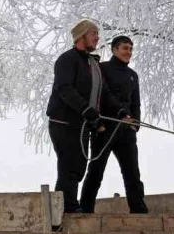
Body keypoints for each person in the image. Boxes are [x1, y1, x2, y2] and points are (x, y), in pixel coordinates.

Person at [46, 18, 129, 214]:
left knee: (79, 165)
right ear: (82, 36)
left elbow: (104, 93)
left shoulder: (92, 63)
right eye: (94, 34)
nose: (97, 38)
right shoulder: (67, 60)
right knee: (70, 164)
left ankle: (68, 205)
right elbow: (64, 88)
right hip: (64, 122)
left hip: (83, 123)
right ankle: (66, 208)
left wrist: (121, 111)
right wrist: (86, 109)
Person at [79, 35, 149, 214]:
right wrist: (118, 115)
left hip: (126, 131)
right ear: (114, 49)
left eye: (131, 49)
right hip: (105, 127)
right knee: (96, 171)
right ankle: (85, 209)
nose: (129, 52)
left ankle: (138, 209)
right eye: (125, 48)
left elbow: (136, 103)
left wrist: (136, 124)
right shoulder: (102, 69)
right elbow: (103, 94)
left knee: (132, 172)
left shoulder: (133, 75)